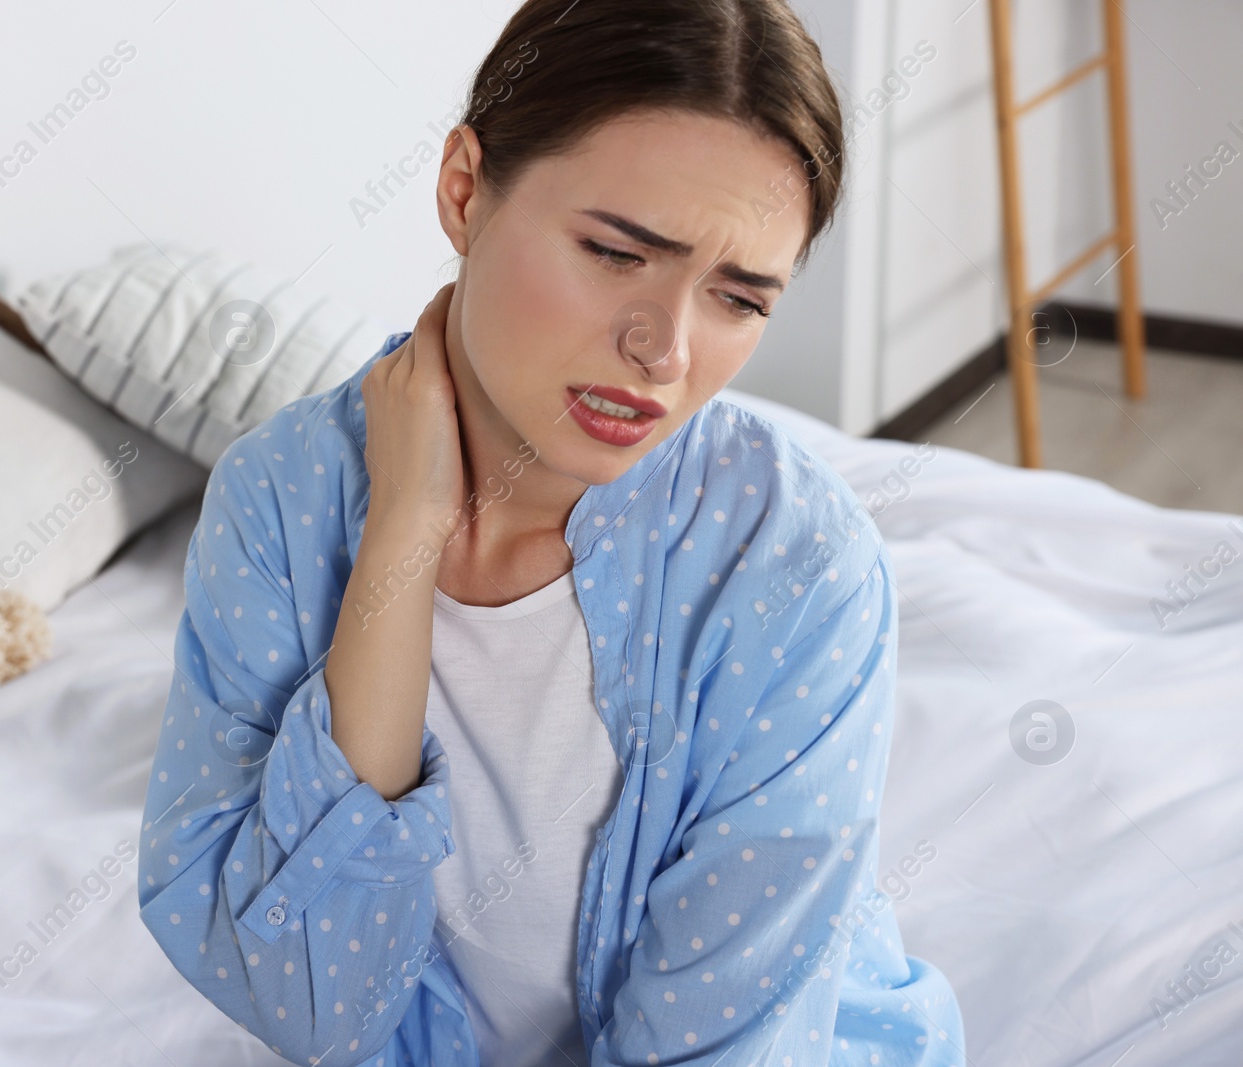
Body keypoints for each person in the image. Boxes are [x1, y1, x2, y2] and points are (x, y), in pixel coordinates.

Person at [138, 0, 967, 1063]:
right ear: (463, 191)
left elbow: (731, 1040)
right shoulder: (280, 500)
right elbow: (308, 1003)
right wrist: (401, 533)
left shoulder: (799, 564)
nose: (664, 348)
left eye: (737, 297)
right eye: (619, 253)